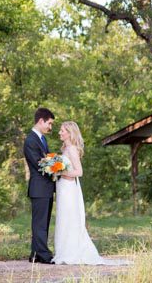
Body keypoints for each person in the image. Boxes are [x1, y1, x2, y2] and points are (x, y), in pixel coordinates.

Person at [53, 121, 130, 265]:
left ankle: (72, 252)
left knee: (70, 218)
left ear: (70, 133)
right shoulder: (65, 148)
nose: (59, 133)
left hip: (69, 188)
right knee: (63, 218)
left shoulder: (72, 150)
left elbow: (79, 172)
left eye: (62, 131)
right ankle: (63, 251)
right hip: (62, 187)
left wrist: (60, 171)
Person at [23, 107, 55, 264]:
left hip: (46, 188)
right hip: (39, 188)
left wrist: (55, 164)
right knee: (40, 224)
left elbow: (46, 160)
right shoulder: (30, 140)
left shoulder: (42, 139)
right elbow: (39, 164)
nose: (50, 127)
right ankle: (44, 254)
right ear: (41, 121)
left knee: (43, 223)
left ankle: (35, 254)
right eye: (49, 123)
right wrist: (58, 168)